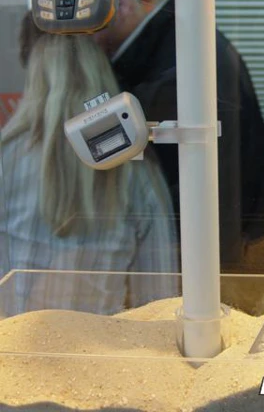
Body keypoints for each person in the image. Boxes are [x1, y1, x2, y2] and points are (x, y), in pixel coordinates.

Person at [94, 0, 264, 268]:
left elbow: (172, 193)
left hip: (202, 262)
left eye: (88, 25)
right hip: (227, 248)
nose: (83, 41)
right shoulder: (184, 43)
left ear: (121, 5)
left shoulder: (168, 69)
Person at [0, 29, 179, 316]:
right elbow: (160, 301)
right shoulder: (137, 172)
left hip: (11, 341)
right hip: (99, 343)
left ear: (35, 84)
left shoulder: (6, 157)